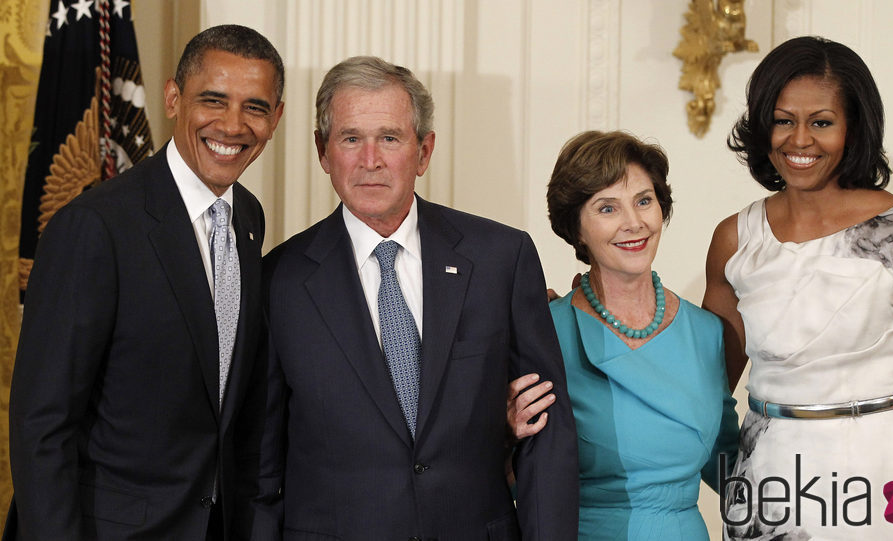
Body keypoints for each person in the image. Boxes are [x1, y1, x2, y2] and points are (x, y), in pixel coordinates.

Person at [241, 56, 579, 540]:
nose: (370, 159)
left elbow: (547, 432)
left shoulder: (501, 259)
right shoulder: (279, 280)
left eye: (390, 138)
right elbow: (260, 466)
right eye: (351, 138)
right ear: (323, 151)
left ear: (423, 151)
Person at [6, 24, 284, 541]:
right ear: (174, 98)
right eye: (213, 100)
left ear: (277, 118)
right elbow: (40, 426)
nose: (232, 125)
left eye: (255, 107)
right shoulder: (94, 227)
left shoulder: (248, 216)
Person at [702, 36, 893, 540]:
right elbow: (704, 387)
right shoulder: (735, 239)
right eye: (783, 120)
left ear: (853, 128)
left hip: (881, 479)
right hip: (768, 484)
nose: (799, 140)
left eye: (821, 122)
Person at [512, 130, 739, 540]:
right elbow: (507, 473)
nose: (633, 223)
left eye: (643, 201)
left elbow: (729, 468)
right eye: (607, 208)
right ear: (576, 229)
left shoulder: (706, 331)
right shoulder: (545, 332)